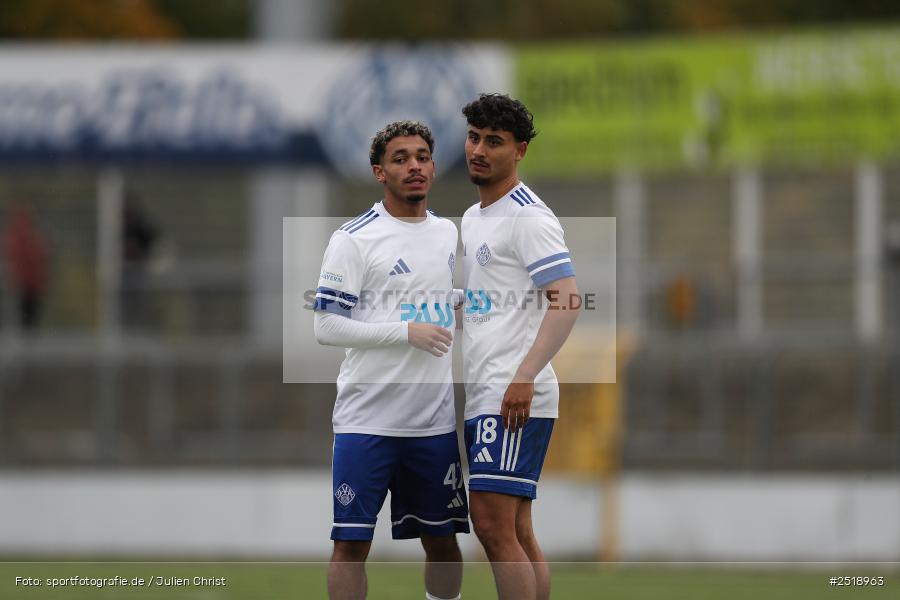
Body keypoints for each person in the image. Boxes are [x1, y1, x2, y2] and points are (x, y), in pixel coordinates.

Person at [313, 120, 468, 600]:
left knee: (443, 543)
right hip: (367, 422)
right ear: (380, 172)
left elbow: (434, 296)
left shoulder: (447, 233)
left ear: (434, 167)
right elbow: (327, 327)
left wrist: (475, 302)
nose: (414, 166)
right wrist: (406, 333)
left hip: (432, 424)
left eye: (422, 156)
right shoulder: (353, 239)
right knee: (350, 546)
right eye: (401, 158)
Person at [459, 94, 581, 600]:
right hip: (489, 386)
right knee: (516, 529)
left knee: (491, 525)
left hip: (511, 390)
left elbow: (567, 299)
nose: (479, 150)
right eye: (473, 138)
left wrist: (525, 375)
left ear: (520, 151)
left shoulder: (528, 216)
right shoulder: (473, 216)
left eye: (494, 142)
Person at [3, 202, 48, 331]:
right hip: (24, 284)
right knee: (26, 318)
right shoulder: (24, 237)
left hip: (27, 284)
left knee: (26, 318)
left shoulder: (24, 236)